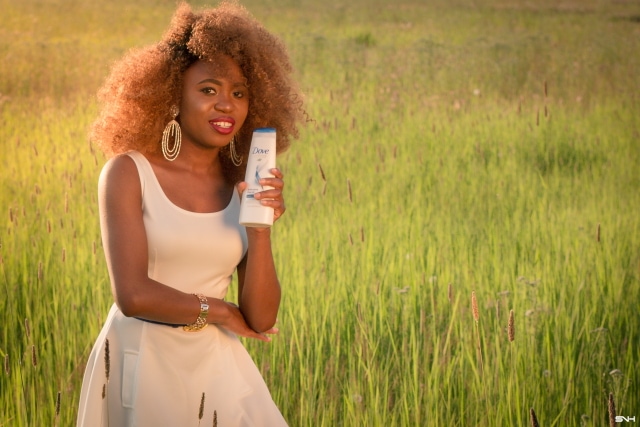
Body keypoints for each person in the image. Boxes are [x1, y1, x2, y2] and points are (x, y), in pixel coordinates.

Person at [76, 2, 305, 425]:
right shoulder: (129, 173)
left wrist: (260, 227)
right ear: (172, 95)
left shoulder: (243, 184)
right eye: (208, 90)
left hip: (218, 367)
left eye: (239, 93)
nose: (226, 106)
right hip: (142, 363)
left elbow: (261, 318)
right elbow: (133, 295)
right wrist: (220, 311)